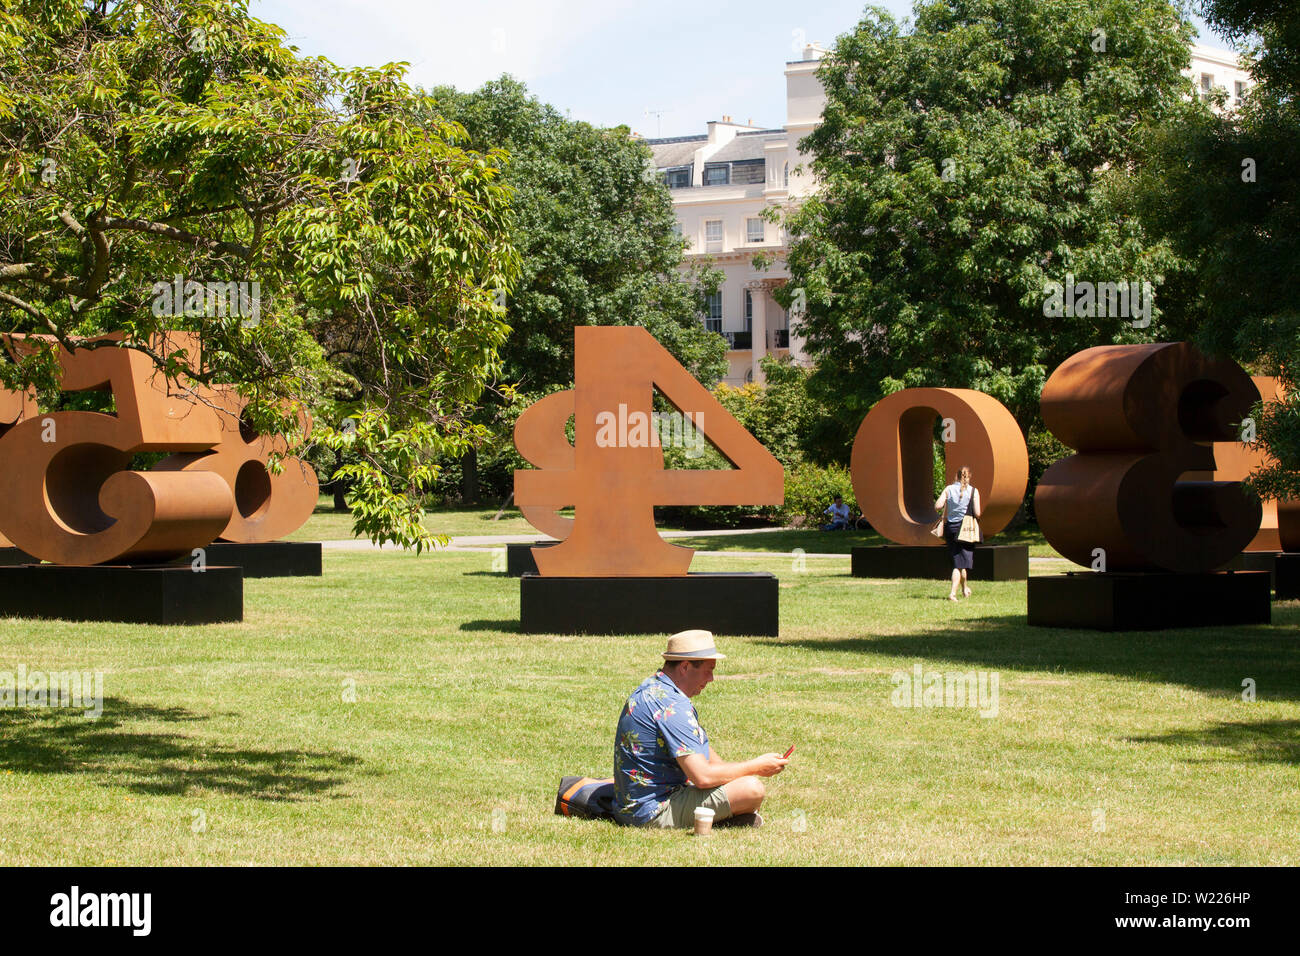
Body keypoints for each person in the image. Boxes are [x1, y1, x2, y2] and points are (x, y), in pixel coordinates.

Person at [613, 629, 789, 829]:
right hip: (652, 812)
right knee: (752, 789)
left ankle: (727, 817)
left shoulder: (653, 687)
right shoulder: (672, 706)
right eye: (709, 669)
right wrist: (757, 766)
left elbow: (699, 751)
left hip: (630, 806)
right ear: (686, 667)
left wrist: (732, 779)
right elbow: (703, 777)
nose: (712, 678)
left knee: (740, 785)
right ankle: (724, 819)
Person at [935, 466, 981, 601]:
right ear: (969, 477)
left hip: (951, 529)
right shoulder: (974, 491)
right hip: (965, 530)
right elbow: (978, 513)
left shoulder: (948, 489)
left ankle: (964, 588)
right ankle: (952, 593)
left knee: (959, 560)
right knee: (958, 564)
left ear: (956, 476)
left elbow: (937, 506)